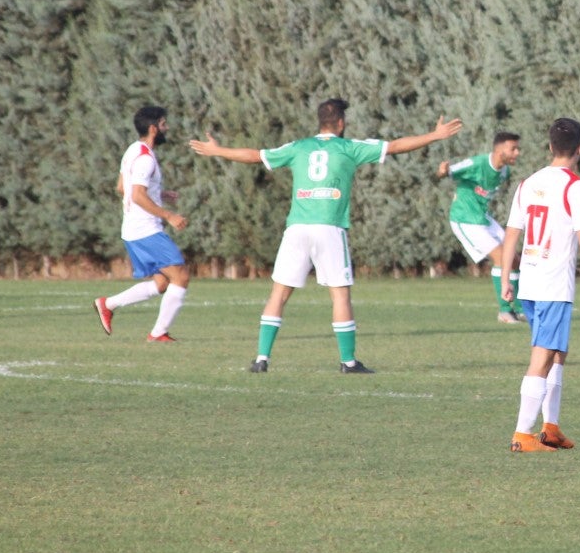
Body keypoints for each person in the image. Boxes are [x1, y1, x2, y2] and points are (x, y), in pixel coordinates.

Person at [189, 98, 462, 374]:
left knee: (279, 294)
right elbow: (395, 146)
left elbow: (256, 155)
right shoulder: (349, 148)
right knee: (340, 296)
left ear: (320, 122)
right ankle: (348, 362)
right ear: (341, 123)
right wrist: (436, 135)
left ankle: (261, 359)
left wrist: (217, 150)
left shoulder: (298, 147)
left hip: (296, 229)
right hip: (329, 228)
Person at [500, 118, 580, 453]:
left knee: (557, 353)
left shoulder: (528, 183)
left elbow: (512, 233)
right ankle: (523, 434)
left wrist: (507, 277)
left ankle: (550, 428)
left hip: (531, 282)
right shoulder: (574, 185)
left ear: (550, 147)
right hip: (553, 285)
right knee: (543, 355)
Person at [94, 106, 192, 342]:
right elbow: (137, 195)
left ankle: (108, 304)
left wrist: (159, 194)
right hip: (145, 229)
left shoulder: (132, 151)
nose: (166, 127)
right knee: (181, 277)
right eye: (163, 123)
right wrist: (169, 215)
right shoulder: (146, 159)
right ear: (153, 128)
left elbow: (121, 187)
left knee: (161, 283)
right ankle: (158, 333)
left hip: (133, 230)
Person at [437, 132, 525, 324]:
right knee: (502, 258)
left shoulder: (504, 172)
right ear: (499, 150)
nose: (517, 153)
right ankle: (504, 311)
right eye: (513, 149)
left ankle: (519, 309)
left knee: (515, 260)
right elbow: (448, 172)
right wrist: (443, 171)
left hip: (482, 218)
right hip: (465, 219)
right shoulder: (477, 164)